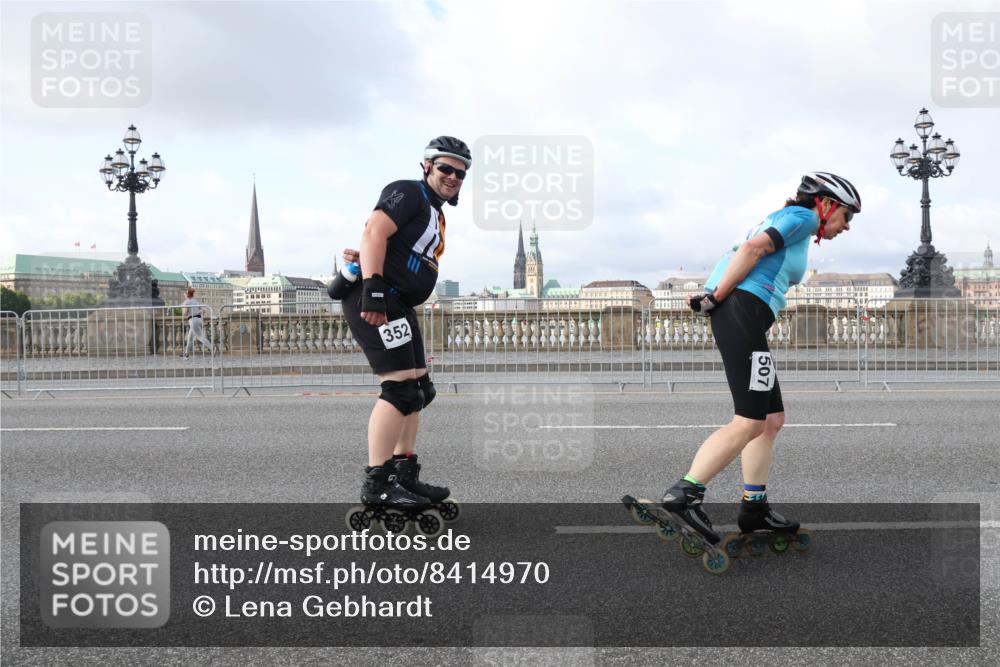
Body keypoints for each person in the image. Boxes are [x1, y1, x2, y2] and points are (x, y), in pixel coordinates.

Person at [661, 172, 861, 544]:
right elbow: (752, 249)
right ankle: (684, 494)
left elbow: (743, 252)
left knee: (771, 419)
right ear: (827, 204)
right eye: (847, 215)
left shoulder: (795, 223)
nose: (847, 225)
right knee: (749, 421)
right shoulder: (803, 218)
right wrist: (715, 297)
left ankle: (754, 507)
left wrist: (716, 296)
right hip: (742, 313)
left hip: (747, 317)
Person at [339, 136, 470, 522]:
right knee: (398, 388)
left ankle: (403, 474)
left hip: (399, 303)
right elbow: (374, 232)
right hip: (380, 299)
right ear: (427, 166)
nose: (453, 177)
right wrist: (374, 290)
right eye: (446, 168)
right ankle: (377, 483)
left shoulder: (435, 210)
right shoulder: (408, 192)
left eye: (461, 173)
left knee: (418, 391)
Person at [181, 287, 213, 359]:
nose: (184, 295)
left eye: (185, 294)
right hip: (199, 320)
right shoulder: (195, 301)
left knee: (199, 337)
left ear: (187, 295)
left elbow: (184, 314)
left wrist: (184, 311)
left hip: (193, 320)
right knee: (190, 338)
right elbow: (203, 310)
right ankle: (186, 354)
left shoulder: (186, 302)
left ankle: (212, 348)